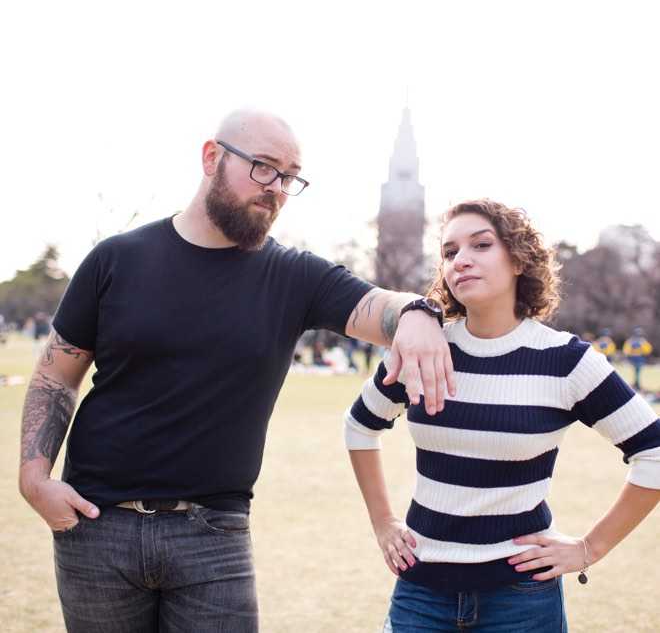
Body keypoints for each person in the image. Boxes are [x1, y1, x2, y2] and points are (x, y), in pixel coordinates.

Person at [18, 109, 456, 633]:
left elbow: (380, 305)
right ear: (211, 157)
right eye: (264, 167)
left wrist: (416, 312)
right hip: (95, 525)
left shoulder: (294, 275)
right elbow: (55, 376)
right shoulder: (116, 259)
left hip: (215, 535)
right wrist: (34, 479)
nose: (277, 188)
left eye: (290, 177)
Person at [344, 199, 660, 632]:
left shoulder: (566, 361)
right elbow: (360, 426)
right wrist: (383, 523)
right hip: (421, 591)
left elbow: (654, 452)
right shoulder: (424, 348)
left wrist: (589, 548)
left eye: (481, 245)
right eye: (450, 252)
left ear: (518, 259)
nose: (461, 261)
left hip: (522, 601)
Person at [623, 326, 653, 391]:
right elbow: (626, 350)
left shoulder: (642, 341)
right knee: (634, 371)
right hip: (634, 358)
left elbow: (648, 350)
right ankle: (635, 384)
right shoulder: (631, 341)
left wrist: (642, 345)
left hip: (639, 357)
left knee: (638, 371)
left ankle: (637, 384)